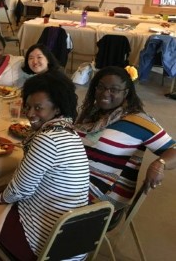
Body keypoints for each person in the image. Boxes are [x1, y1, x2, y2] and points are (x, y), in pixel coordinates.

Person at [0, 71, 89, 261]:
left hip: (46, 246)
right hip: (75, 241)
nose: (30, 114)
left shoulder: (47, 139)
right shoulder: (70, 133)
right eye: (28, 106)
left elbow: (19, 190)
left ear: (56, 109)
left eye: (38, 108)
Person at [75, 66, 176, 210]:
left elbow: (173, 149)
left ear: (126, 93)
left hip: (103, 194)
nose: (105, 93)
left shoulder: (139, 121)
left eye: (114, 90)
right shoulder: (91, 114)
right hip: (78, 179)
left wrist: (160, 163)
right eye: (101, 87)